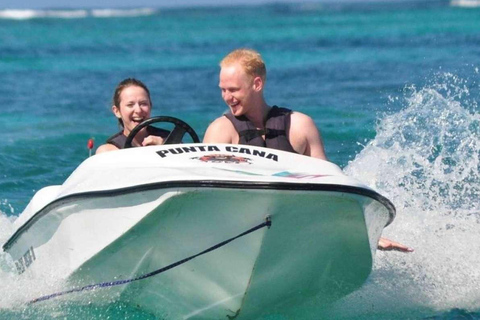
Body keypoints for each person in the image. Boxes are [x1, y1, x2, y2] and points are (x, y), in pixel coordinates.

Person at [204, 48, 413, 253]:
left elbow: (328, 189)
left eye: (233, 90)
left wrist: (363, 233)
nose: (226, 97)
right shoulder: (221, 131)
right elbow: (206, 198)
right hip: (236, 233)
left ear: (256, 84)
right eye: (223, 89)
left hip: (296, 229)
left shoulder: (300, 126)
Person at [96, 78, 168, 154]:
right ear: (117, 111)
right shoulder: (108, 152)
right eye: (130, 105)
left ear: (150, 106)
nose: (138, 110)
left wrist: (166, 147)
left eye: (143, 103)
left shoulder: (171, 140)